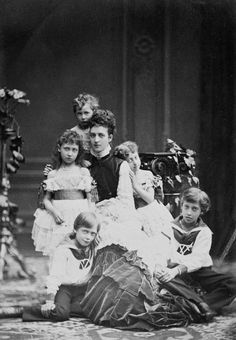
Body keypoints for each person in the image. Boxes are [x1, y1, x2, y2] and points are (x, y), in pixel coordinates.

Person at [0, 212, 101, 322]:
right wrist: (49, 301)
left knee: (95, 310)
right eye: (85, 232)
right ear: (76, 229)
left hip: (82, 289)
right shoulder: (64, 250)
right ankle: (22, 310)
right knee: (60, 314)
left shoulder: (92, 247)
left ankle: (64, 307)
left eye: (92, 234)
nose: (88, 237)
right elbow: (55, 277)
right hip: (64, 288)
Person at [156, 187, 236, 315]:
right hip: (174, 270)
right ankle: (199, 304)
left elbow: (197, 260)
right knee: (162, 277)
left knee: (233, 282)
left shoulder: (204, 232)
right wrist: (167, 269)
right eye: (186, 207)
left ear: (201, 211)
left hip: (199, 272)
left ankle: (204, 302)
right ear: (181, 206)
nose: (189, 213)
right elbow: (164, 251)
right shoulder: (169, 227)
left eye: (194, 209)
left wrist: (176, 269)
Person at [32, 130, 93, 256]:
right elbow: (46, 200)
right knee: (59, 251)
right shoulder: (53, 174)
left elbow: (90, 199)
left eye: (74, 150)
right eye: (66, 149)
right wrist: (54, 212)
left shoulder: (83, 172)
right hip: (59, 215)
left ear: (78, 151)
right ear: (60, 148)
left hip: (79, 214)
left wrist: (90, 218)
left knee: (78, 252)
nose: (70, 154)